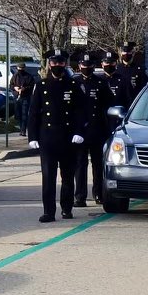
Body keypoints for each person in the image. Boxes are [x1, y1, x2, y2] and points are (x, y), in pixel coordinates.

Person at [28, 49, 86, 223]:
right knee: (48, 176)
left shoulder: (74, 85)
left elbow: (81, 111)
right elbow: (34, 113)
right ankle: (49, 211)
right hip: (47, 137)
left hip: (68, 137)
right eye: (54, 62)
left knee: (67, 176)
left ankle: (67, 208)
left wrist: (79, 132)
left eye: (60, 63)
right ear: (49, 64)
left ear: (65, 64)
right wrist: (32, 136)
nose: (57, 66)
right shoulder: (41, 85)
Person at [73, 52, 114, 206]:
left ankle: (98, 193)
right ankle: (80, 196)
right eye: (84, 66)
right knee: (80, 164)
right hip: (80, 130)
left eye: (90, 66)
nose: (87, 68)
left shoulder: (101, 83)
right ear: (79, 66)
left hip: (97, 129)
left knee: (98, 164)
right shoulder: (74, 83)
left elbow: (110, 102)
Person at [9, 62, 35, 136]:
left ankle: (23, 130)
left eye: (22, 68)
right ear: (17, 68)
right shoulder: (15, 76)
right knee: (18, 114)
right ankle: (21, 128)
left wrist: (24, 89)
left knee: (24, 114)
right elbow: (11, 85)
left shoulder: (29, 76)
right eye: (19, 68)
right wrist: (15, 88)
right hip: (17, 97)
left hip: (26, 97)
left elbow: (32, 86)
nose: (20, 69)